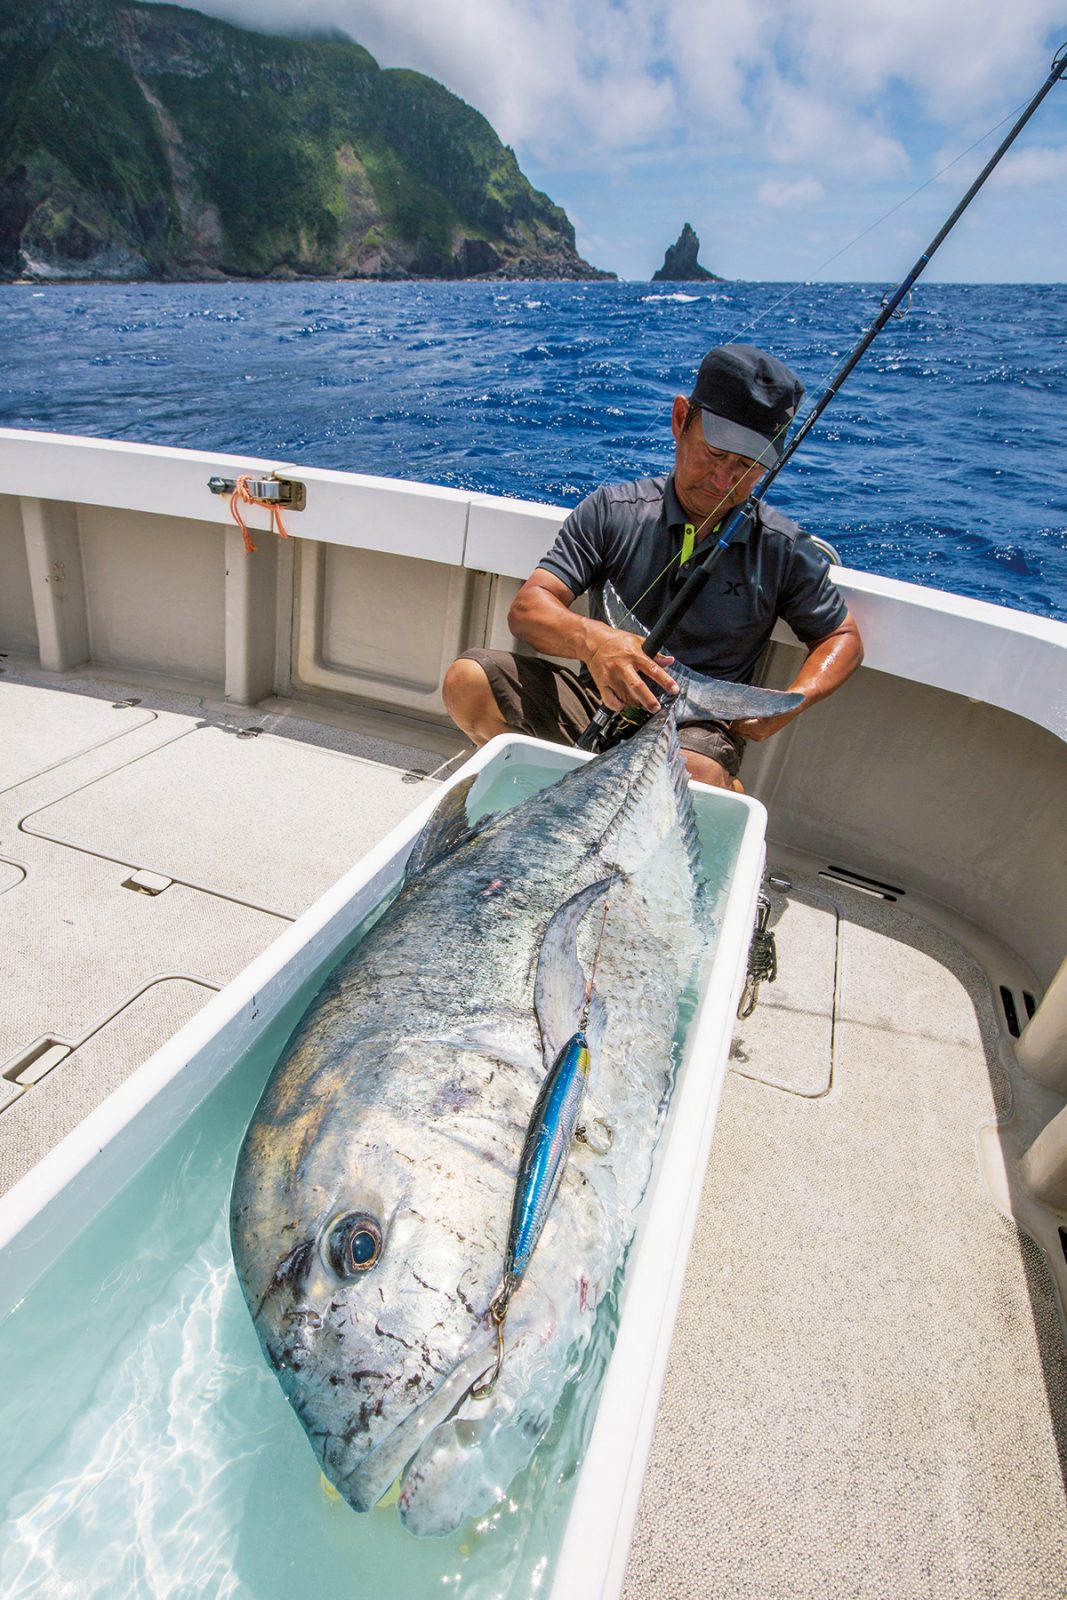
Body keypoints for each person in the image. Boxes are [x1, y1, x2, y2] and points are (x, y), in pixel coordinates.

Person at [443, 343, 863, 791]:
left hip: (696, 730)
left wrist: (790, 705)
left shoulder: (780, 546)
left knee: (693, 772)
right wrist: (597, 643)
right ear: (681, 419)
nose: (723, 480)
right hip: (599, 699)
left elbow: (842, 638)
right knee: (467, 680)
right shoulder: (613, 510)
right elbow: (528, 609)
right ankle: (546, 794)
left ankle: (716, 791)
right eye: (716, 455)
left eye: (746, 466)